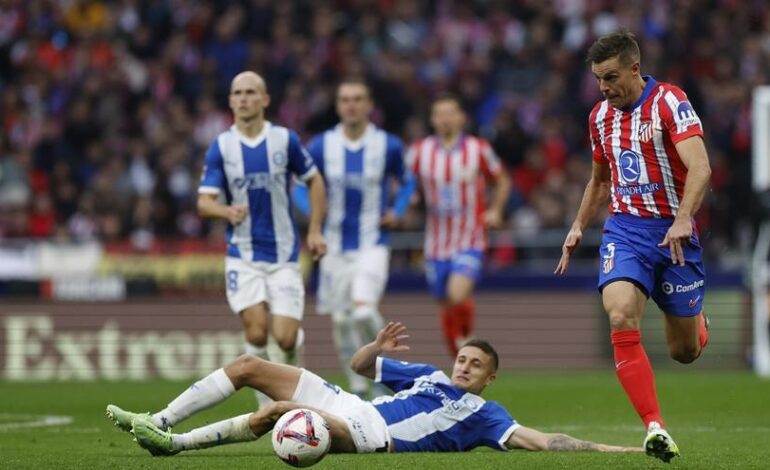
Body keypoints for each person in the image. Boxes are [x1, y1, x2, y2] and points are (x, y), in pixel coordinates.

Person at [106, 322, 641, 456]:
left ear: (489, 378)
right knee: (249, 365)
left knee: (282, 411)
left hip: (374, 437)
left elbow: (547, 441)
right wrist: (375, 344)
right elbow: (362, 366)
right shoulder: (430, 373)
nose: (464, 368)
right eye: (463, 359)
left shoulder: (485, 413)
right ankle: (161, 420)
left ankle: (173, 448)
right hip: (352, 404)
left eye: (476, 365)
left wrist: (627, 450)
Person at [554, 32, 712, 463]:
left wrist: (682, 218)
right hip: (624, 231)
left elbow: (700, 165)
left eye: (610, 77)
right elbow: (601, 180)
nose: (603, 88)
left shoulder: (670, 102)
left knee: (684, 353)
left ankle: (697, 322)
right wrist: (578, 226)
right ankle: (655, 427)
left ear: (633, 69)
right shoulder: (599, 117)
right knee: (620, 313)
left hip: (673, 233)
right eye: (597, 80)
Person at [197, 71, 327, 407]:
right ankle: (267, 406)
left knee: (284, 337)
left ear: (265, 99)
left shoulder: (285, 140)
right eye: (237, 92)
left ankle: (292, 365)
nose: (243, 98)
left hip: (284, 255)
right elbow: (204, 201)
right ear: (230, 100)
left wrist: (314, 229)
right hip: (243, 254)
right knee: (256, 332)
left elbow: (314, 181)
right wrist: (225, 212)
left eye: (251, 92)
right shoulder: (221, 147)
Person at [293, 79, 416, 398]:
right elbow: (297, 186)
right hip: (333, 246)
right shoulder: (323, 145)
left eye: (358, 99)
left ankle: (382, 375)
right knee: (342, 319)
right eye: (345, 99)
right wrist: (314, 218)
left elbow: (407, 181)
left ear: (369, 105)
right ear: (338, 105)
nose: (351, 105)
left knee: (362, 311)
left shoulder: (386, 144)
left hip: (372, 243)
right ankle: (359, 387)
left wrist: (398, 211)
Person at [406, 95, 511, 357]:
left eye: (450, 113)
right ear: (432, 120)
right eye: (439, 114)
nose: (445, 119)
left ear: (461, 117)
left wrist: (495, 210)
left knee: (457, 292)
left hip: (470, 238)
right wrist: (409, 199)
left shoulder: (478, 149)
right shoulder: (420, 151)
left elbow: (502, 179)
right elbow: (405, 181)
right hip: (436, 242)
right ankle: (459, 351)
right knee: (445, 303)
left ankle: (465, 339)